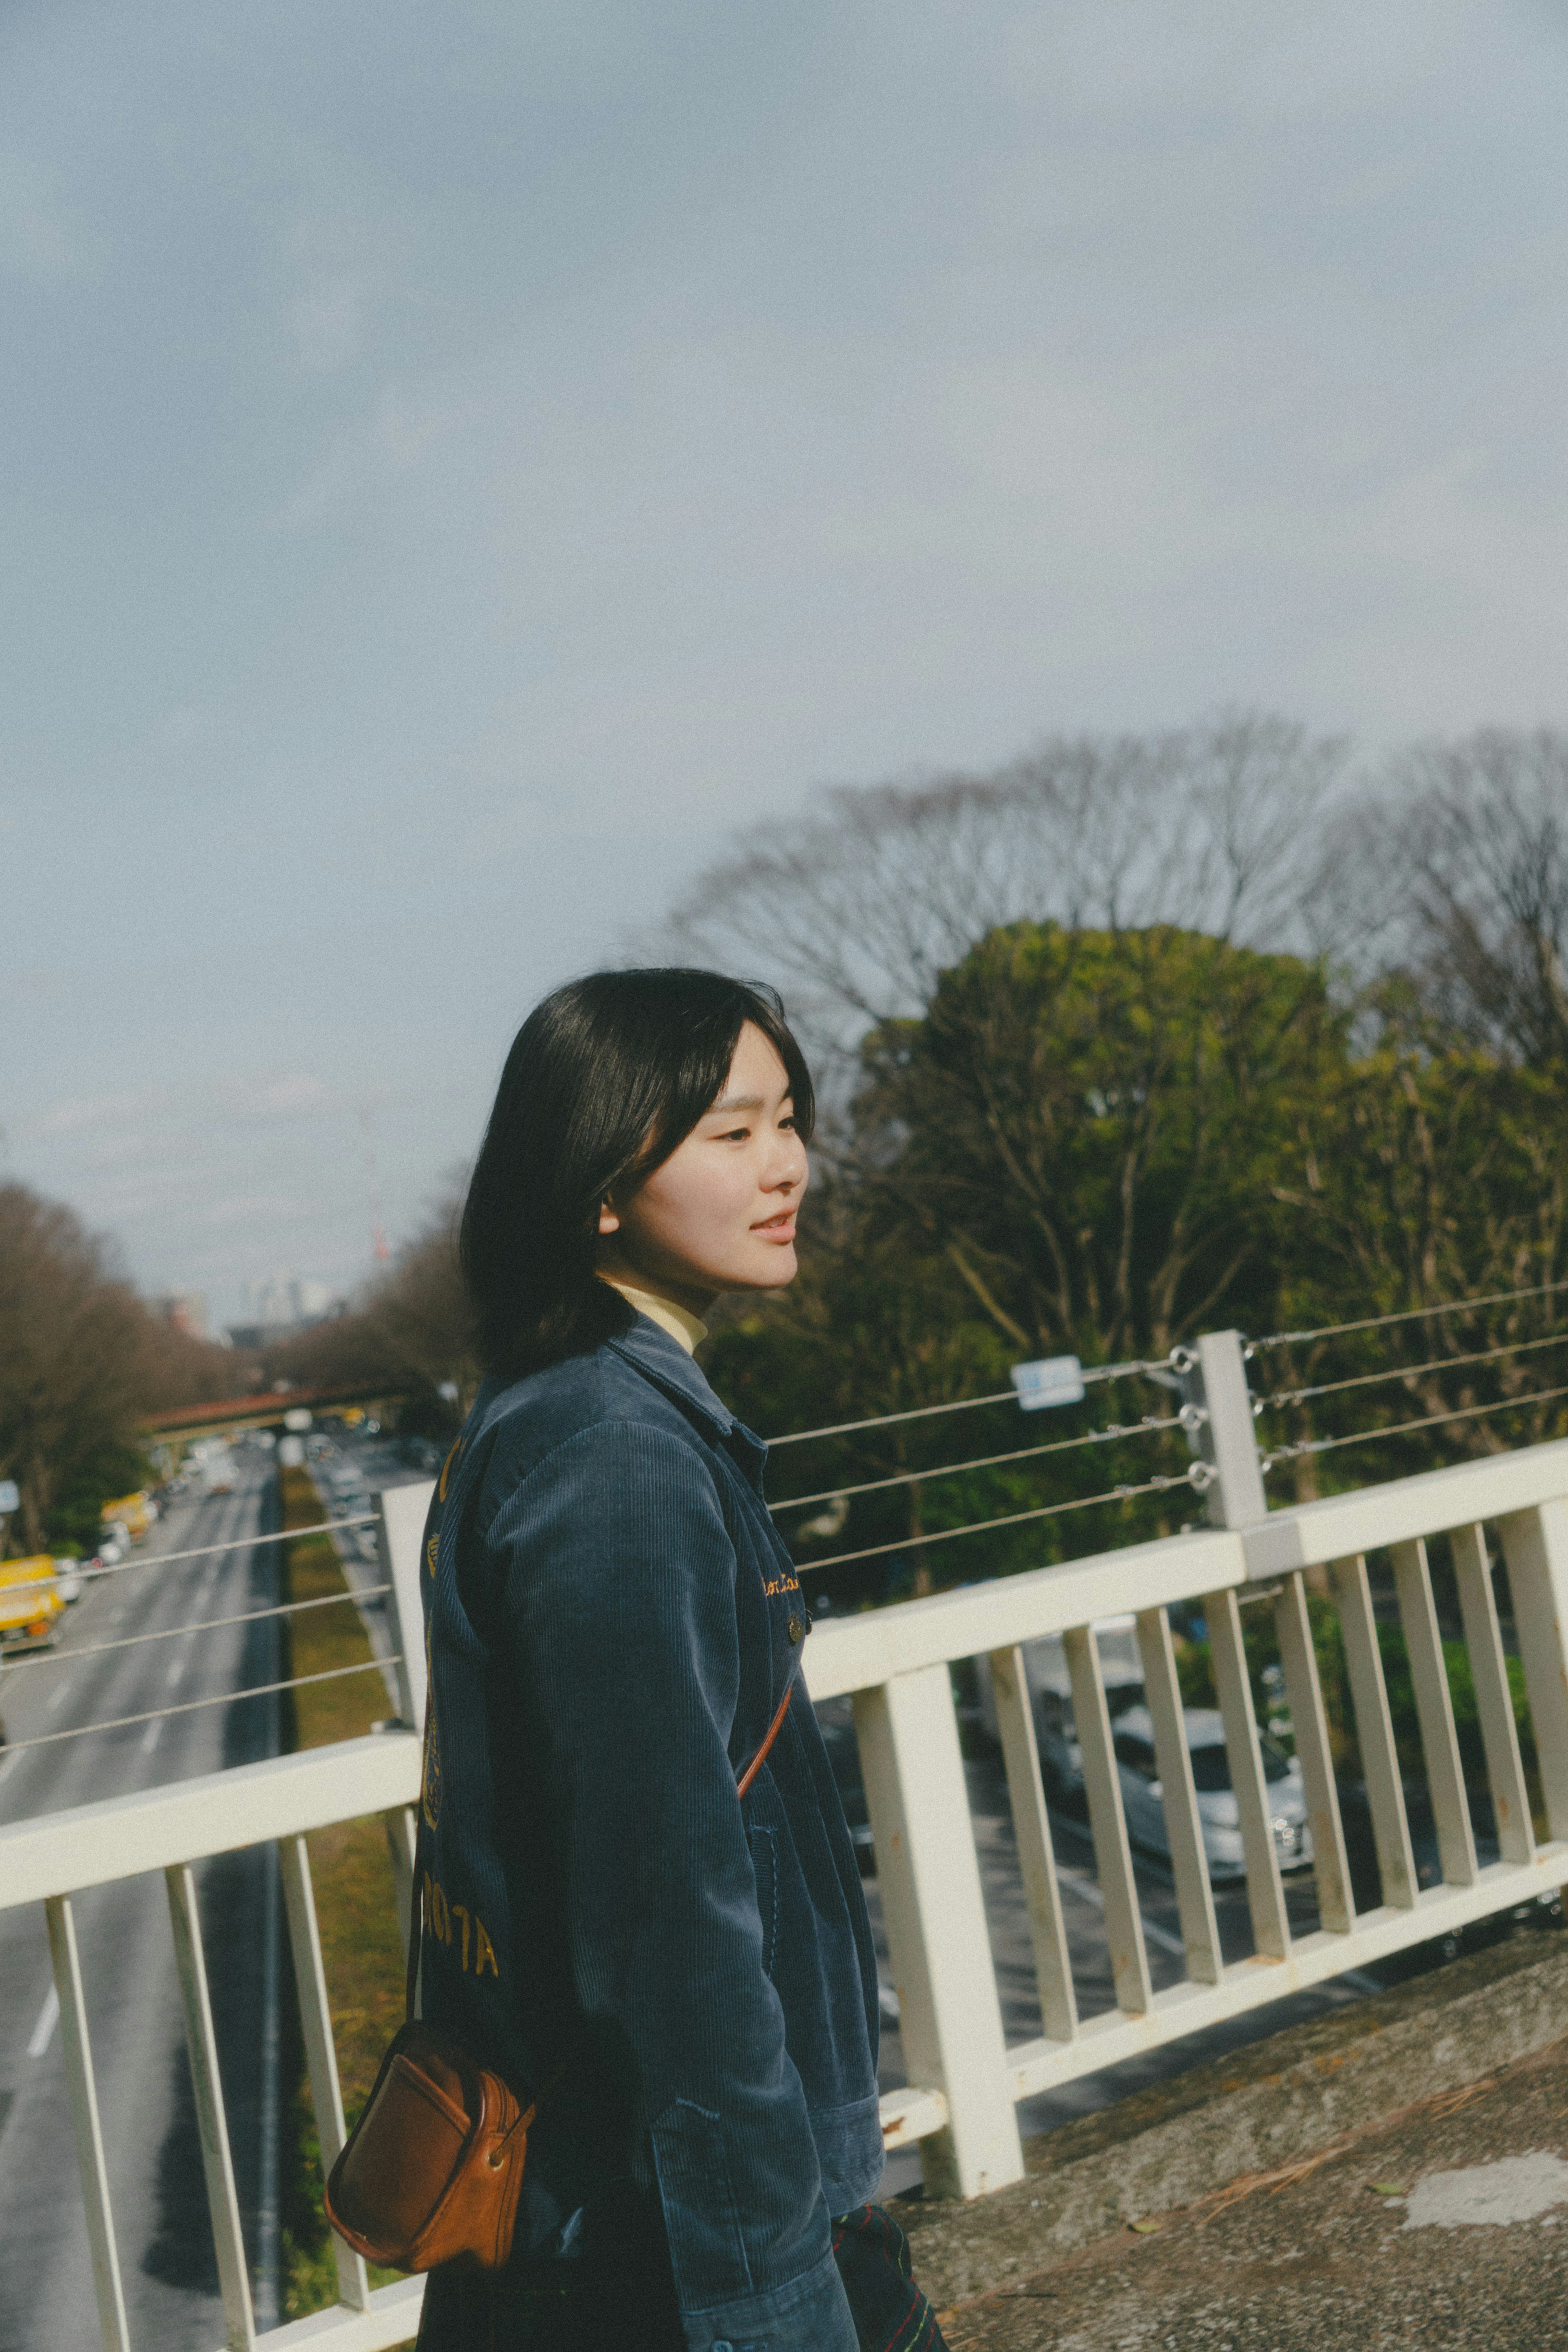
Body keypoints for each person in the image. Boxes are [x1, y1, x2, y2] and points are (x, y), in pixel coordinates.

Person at [414, 969, 949, 2351]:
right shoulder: (614, 1461)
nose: (785, 1168)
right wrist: (773, 2289)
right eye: (730, 1134)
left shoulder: (588, 1418)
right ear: (599, 1184)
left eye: (788, 1122)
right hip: (668, 2248)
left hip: (656, 2221)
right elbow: (668, 1918)